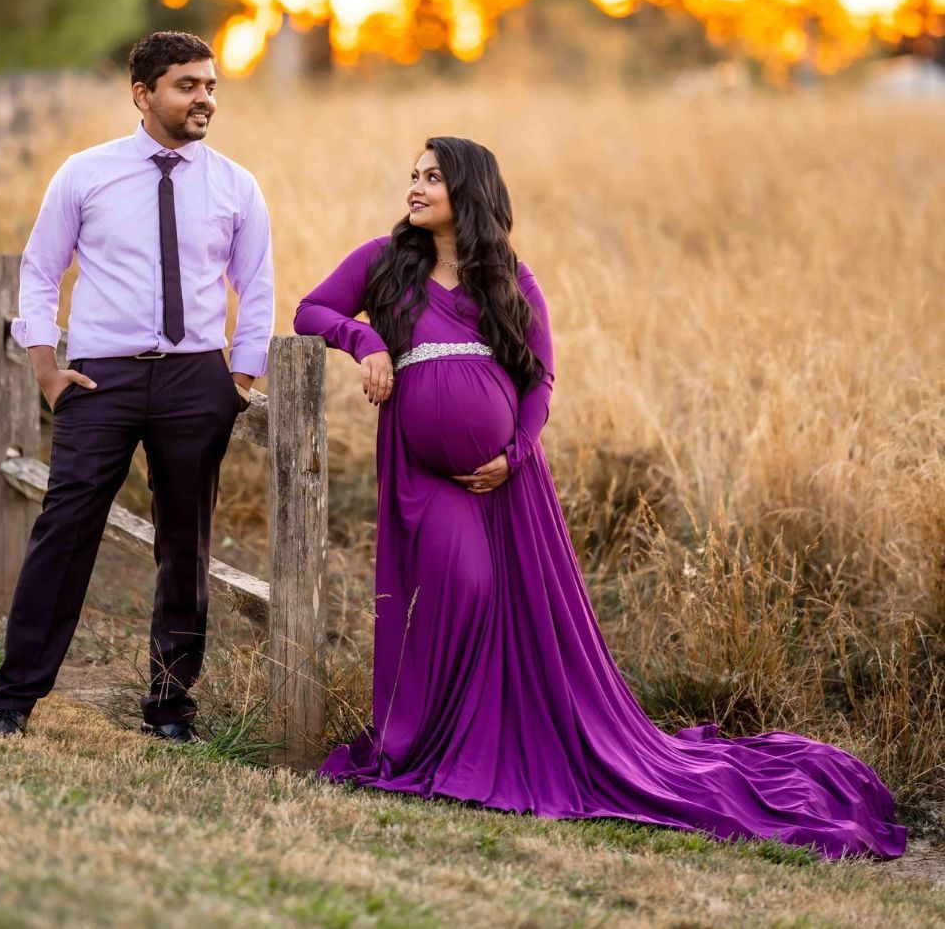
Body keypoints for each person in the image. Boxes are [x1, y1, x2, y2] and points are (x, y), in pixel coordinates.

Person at [293, 135, 905, 860]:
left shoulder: (511, 281)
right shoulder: (383, 263)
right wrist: (364, 345)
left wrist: (514, 455)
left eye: (433, 177)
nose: (416, 187)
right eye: (413, 176)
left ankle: (486, 751)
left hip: (508, 482)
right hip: (424, 477)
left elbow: (540, 382)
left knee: (501, 600)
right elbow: (311, 310)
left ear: (471, 191)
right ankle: (439, 747)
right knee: (463, 585)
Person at [0, 31, 273, 743]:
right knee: (65, 530)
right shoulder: (85, 174)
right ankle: (14, 700)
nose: (204, 97)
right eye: (186, 85)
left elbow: (256, 285)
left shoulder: (236, 185)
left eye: (209, 85)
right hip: (100, 378)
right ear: (143, 94)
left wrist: (238, 378)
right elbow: (41, 270)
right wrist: (46, 365)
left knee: (185, 545)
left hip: (195, 382)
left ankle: (170, 709)